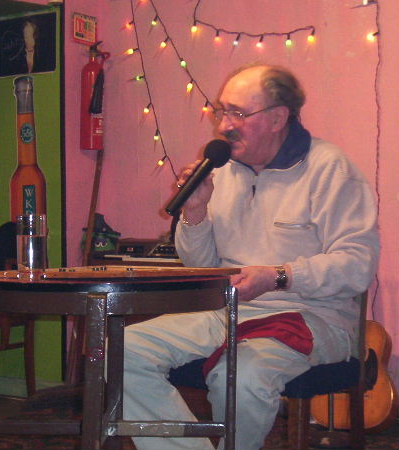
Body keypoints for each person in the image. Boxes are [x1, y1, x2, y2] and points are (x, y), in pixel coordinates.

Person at [123, 64, 380, 450]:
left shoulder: (331, 170)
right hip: (225, 310)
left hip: (314, 315)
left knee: (241, 373)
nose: (224, 125)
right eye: (222, 111)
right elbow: (202, 270)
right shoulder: (220, 173)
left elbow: (357, 265)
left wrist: (279, 276)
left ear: (278, 118)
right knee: (119, 348)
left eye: (238, 113)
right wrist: (195, 213)